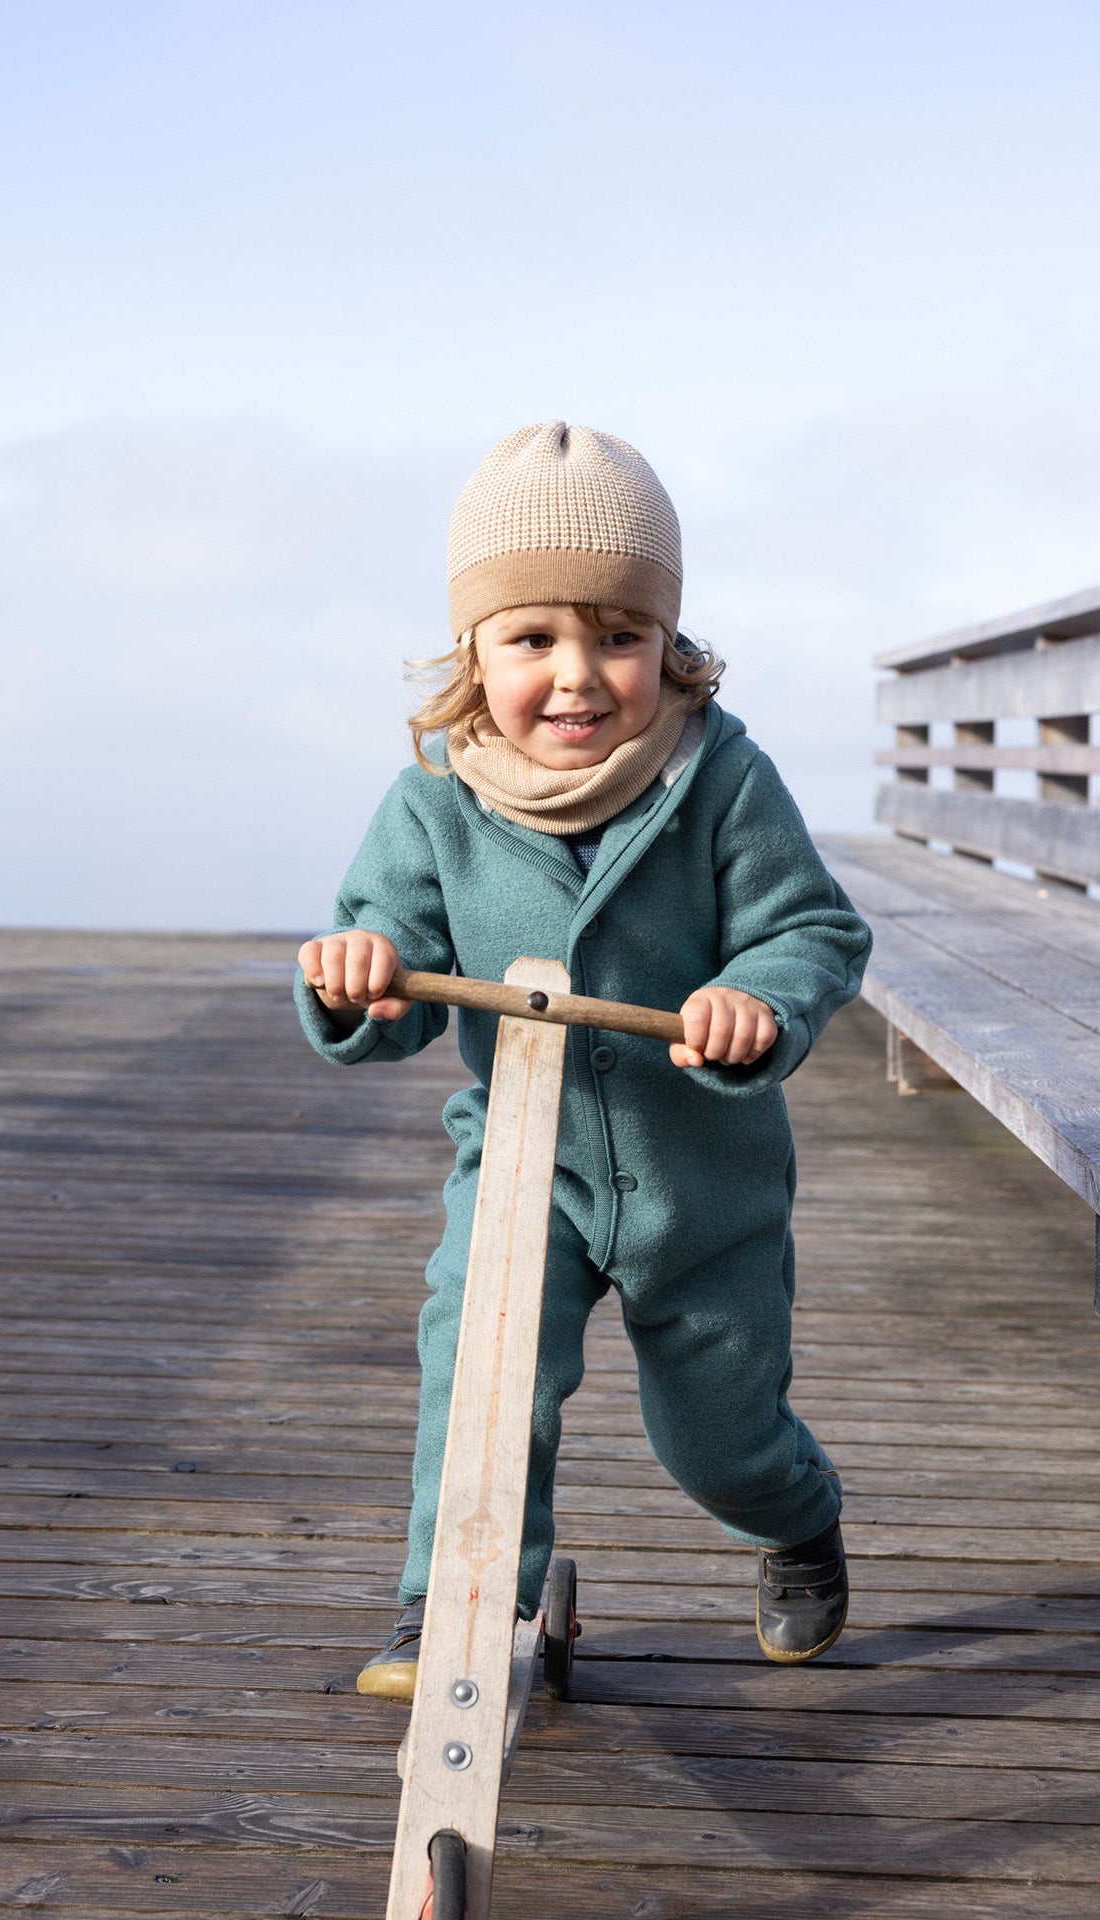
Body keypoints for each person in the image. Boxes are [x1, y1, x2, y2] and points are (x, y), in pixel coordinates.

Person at [295, 421, 871, 1701]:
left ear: (671, 643)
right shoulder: (436, 799)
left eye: (620, 636)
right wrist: (361, 971)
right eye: (533, 639)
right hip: (521, 1168)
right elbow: (388, 941)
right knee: (483, 1382)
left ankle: (792, 1519)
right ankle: (449, 1611)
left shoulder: (718, 776)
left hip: (701, 1186)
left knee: (716, 1437)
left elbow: (811, 928)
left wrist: (754, 996)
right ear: (474, 652)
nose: (578, 676)